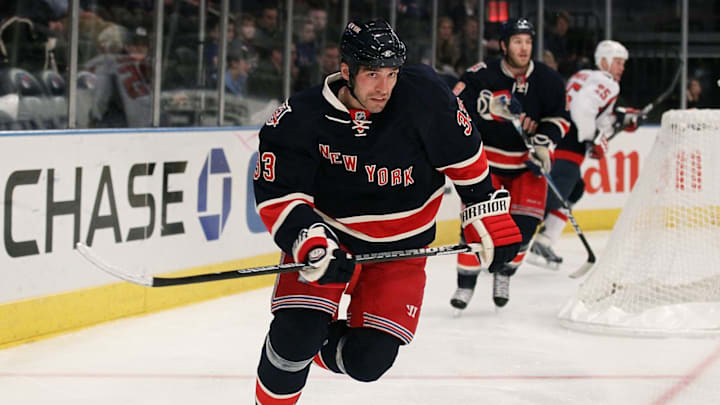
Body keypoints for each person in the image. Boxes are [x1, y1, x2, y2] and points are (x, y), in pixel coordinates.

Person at [252, 19, 521, 404]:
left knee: (368, 362)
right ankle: (293, 350)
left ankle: (308, 349)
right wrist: (311, 244)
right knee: (295, 336)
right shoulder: (300, 118)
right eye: (373, 74)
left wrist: (486, 214)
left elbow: (465, 161)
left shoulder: (424, 97)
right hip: (333, 241)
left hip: (402, 253)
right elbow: (280, 195)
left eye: (392, 74)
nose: (384, 88)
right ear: (346, 72)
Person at [449, 18, 570, 311]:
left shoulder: (548, 79)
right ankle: (465, 283)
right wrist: (486, 111)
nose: (524, 47)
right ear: (503, 45)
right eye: (517, 41)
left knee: (524, 231)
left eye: (528, 41)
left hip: (528, 167)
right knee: (476, 229)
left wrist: (543, 144)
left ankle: (503, 274)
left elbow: (560, 119)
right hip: (487, 166)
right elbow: (451, 105)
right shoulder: (481, 75)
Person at [528, 40, 639, 269]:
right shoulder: (607, 82)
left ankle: (545, 239)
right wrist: (594, 137)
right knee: (550, 197)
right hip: (569, 144)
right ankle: (510, 241)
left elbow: (592, 109)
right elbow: (583, 109)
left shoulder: (584, 75)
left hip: (558, 137)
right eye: (618, 62)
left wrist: (620, 117)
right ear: (605, 61)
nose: (622, 68)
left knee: (575, 189)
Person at [89, 25, 153, 128]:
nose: (139, 48)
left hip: (144, 127)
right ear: (126, 46)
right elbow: (100, 99)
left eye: (143, 44)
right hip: (123, 126)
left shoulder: (152, 67)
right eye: (135, 44)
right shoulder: (109, 64)